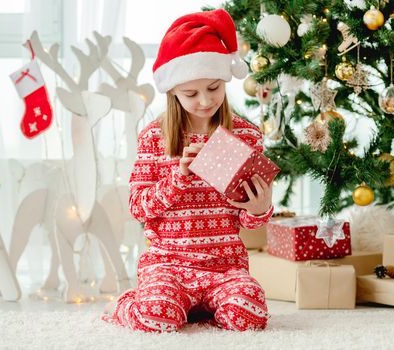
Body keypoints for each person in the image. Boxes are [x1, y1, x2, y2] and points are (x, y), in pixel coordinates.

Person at [102, 8, 273, 332]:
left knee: (249, 316)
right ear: (173, 93)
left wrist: (260, 208)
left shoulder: (246, 135)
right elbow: (138, 208)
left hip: (225, 265)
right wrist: (178, 178)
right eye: (191, 93)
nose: (205, 101)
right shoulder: (155, 137)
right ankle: (131, 303)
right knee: (156, 315)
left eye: (213, 87)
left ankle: (199, 306)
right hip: (168, 264)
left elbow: (248, 221)